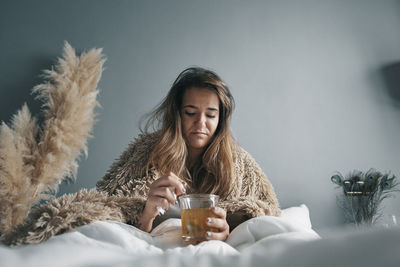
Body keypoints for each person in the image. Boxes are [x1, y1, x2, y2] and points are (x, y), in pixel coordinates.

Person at [96, 67, 280, 241]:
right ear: (177, 115)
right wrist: (147, 212)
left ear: (221, 119)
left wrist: (228, 230)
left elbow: (267, 214)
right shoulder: (147, 154)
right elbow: (107, 213)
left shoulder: (239, 163)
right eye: (191, 113)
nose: (200, 123)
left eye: (210, 115)